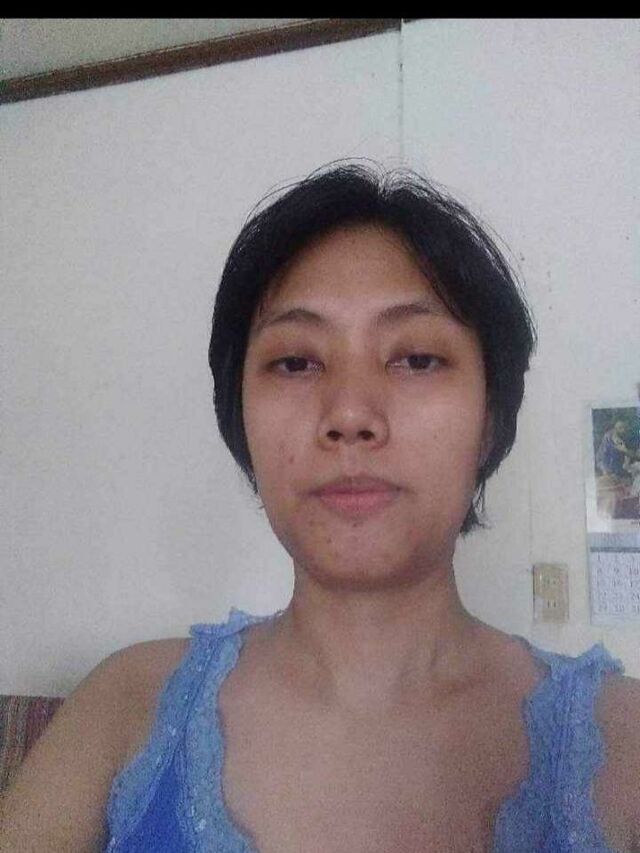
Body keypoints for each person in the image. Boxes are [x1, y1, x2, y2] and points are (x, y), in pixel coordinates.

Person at [1, 162, 639, 852]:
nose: (350, 414)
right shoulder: (124, 706)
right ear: (240, 417)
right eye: (296, 362)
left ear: (490, 416)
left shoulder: (625, 744)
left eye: (417, 358)